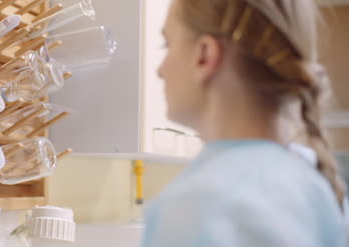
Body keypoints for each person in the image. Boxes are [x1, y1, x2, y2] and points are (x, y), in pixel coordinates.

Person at [140, 0, 348, 246]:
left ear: (205, 56)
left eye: (168, 44)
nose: (160, 70)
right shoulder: (320, 191)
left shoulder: (190, 208)